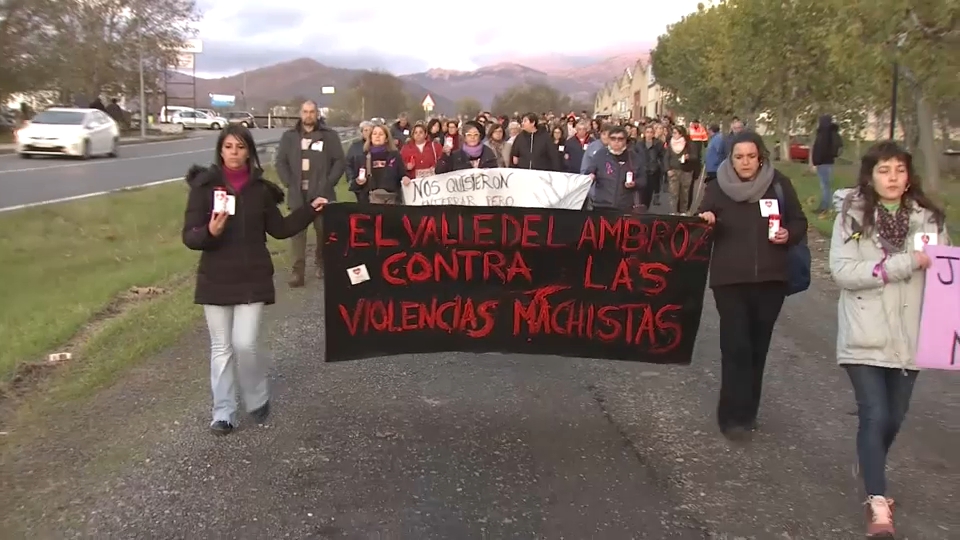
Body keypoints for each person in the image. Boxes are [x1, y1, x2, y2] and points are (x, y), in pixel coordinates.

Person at [828, 141, 948, 538]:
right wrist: (902, 264)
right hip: (865, 331)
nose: (892, 177)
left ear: (908, 175)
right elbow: (843, 272)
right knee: (874, 414)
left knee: (893, 417)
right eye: (884, 170)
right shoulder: (852, 215)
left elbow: (946, 274)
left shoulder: (929, 219)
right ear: (870, 175)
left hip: (912, 334)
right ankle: (878, 502)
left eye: (899, 169)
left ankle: (870, 455)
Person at [181, 125, 330, 436]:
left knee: (245, 343)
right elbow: (190, 236)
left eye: (240, 147)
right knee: (221, 348)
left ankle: (257, 396)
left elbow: (280, 228)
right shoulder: (204, 188)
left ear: (249, 151)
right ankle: (223, 413)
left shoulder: (260, 190)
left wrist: (309, 210)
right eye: (228, 147)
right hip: (216, 277)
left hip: (252, 278)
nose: (234, 152)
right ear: (220, 151)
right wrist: (210, 232)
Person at [696, 131, 807, 440]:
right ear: (730, 159)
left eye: (751, 156)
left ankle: (748, 412)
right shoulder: (717, 187)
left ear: (761, 157)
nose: (745, 162)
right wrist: (706, 220)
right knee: (736, 347)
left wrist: (789, 234)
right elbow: (700, 222)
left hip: (771, 279)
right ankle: (729, 415)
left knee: (758, 347)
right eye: (738, 156)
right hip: (729, 280)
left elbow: (799, 221)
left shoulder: (779, 184)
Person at [274, 100, 345, 286]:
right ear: (300, 113)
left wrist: (329, 184)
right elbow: (280, 161)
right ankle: (297, 272)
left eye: (312, 112)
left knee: (323, 232)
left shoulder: (329, 136)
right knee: (297, 235)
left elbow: (339, 161)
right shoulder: (290, 137)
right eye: (305, 112)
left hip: (321, 193)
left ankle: (321, 263)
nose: (308, 115)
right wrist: (289, 182)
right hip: (298, 195)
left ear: (317, 113)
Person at [584, 126, 645, 212]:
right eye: (613, 138)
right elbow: (589, 171)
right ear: (608, 140)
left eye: (620, 139)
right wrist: (591, 175)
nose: (616, 142)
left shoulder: (634, 157)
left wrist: (635, 183)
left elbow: (643, 180)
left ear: (625, 140)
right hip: (601, 204)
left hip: (625, 206)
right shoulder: (600, 154)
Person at [350, 124, 408, 204]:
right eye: (374, 134)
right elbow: (354, 184)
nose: (377, 136)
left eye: (381, 134)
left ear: (386, 138)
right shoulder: (363, 157)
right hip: (370, 203)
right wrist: (358, 181)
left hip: (392, 201)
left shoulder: (395, 155)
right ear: (370, 138)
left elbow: (403, 174)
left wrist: (405, 178)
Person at [811, 114, 844, 213]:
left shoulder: (824, 134)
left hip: (823, 163)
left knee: (825, 186)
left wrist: (816, 162)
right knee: (826, 185)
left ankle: (825, 207)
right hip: (828, 162)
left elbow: (820, 149)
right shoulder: (833, 133)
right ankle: (826, 206)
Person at [664, 125, 699, 213]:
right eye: (673, 133)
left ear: (681, 134)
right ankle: (673, 212)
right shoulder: (670, 144)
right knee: (673, 193)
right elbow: (666, 158)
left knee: (684, 193)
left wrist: (688, 157)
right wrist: (668, 169)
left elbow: (695, 156)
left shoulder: (689, 144)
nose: (673, 135)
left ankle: (683, 212)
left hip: (686, 171)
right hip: (674, 171)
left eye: (675, 133)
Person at [345, 121, 374, 203]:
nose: (368, 133)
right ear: (361, 132)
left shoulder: (378, 146)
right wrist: (352, 179)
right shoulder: (355, 147)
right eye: (365, 130)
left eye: (370, 130)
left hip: (376, 185)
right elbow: (348, 164)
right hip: (360, 185)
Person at [639, 125, 664, 208]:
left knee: (649, 193)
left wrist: (659, 166)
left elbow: (662, 156)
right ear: (644, 133)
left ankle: (646, 207)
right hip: (642, 171)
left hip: (653, 171)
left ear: (653, 134)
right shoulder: (639, 144)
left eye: (651, 132)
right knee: (641, 192)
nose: (649, 134)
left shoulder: (658, 144)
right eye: (647, 132)